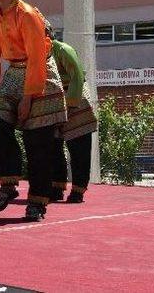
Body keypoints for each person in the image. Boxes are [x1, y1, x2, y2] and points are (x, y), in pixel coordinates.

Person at [0, 0, 67, 221]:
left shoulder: (29, 15)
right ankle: (8, 184)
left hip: (40, 70)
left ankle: (38, 202)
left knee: (37, 142)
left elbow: (36, 57)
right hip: (14, 73)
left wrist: (29, 97)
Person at [47, 30, 98, 203]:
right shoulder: (36, 53)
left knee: (79, 148)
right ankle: (57, 186)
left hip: (75, 100)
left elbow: (77, 76)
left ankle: (78, 190)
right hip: (53, 101)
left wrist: (70, 103)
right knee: (53, 146)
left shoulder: (62, 49)